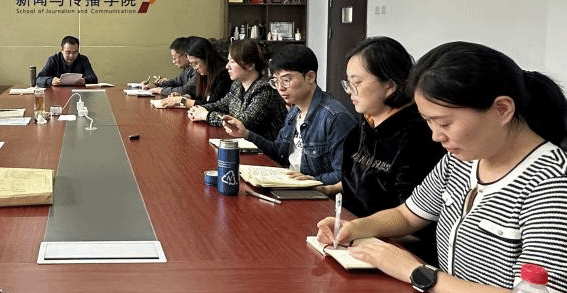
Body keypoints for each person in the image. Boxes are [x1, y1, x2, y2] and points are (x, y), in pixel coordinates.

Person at [316, 41, 567, 293]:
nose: (435, 136)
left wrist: (419, 273)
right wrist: (356, 228)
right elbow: (408, 215)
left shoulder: (560, 186)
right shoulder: (463, 160)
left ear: (502, 109)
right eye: (428, 122)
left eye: (444, 123)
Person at [319, 37, 444, 263]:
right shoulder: (363, 127)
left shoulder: (420, 138)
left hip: (398, 250)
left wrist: (359, 232)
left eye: (357, 83)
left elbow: (414, 219)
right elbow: (359, 180)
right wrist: (325, 188)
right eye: (348, 83)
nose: (350, 92)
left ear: (390, 86)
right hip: (354, 235)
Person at [223, 44, 357, 185]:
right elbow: (278, 152)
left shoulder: (334, 117)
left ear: (310, 77)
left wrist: (313, 181)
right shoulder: (295, 111)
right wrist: (246, 134)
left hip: (313, 192)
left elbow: (344, 176)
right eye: (276, 81)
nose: (280, 88)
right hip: (288, 182)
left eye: (286, 80)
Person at [187, 38, 286, 141]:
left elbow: (240, 124)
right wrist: (198, 109)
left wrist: (206, 115)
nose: (227, 66)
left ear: (250, 65)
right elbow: (222, 105)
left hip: (262, 149)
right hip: (242, 143)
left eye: (232, 62)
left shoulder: (265, 90)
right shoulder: (237, 85)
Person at [158, 37, 231, 108]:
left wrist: (182, 101)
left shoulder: (224, 74)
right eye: (191, 64)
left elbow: (212, 105)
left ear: (207, 59)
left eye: (196, 63)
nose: (194, 68)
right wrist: (183, 97)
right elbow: (197, 95)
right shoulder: (204, 72)